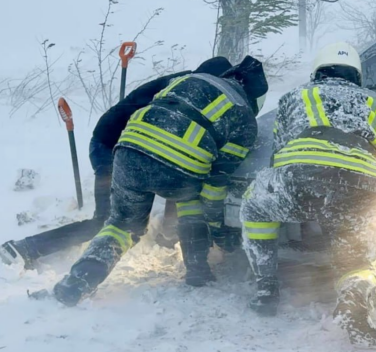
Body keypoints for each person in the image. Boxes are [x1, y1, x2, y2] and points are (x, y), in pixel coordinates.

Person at [51, 55, 268, 306]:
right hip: (178, 169)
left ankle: (78, 281)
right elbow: (215, 184)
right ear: (255, 99)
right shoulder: (244, 118)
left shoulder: (186, 80)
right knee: (191, 201)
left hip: (128, 153)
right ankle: (198, 271)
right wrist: (218, 229)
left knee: (122, 225)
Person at [240, 42, 376, 349]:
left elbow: (279, 153)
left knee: (256, 207)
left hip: (301, 176)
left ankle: (266, 287)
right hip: (363, 185)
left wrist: (295, 196)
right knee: (360, 258)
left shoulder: (295, 96)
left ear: (317, 72)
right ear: (356, 75)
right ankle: (355, 297)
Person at [0, 57, 234, 269]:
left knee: (178, 175)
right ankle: (24, 248)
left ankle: (166, 236)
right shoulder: (188, 91)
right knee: (107, 221)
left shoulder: (188, 85)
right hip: (111, 148)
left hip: (138, 149)